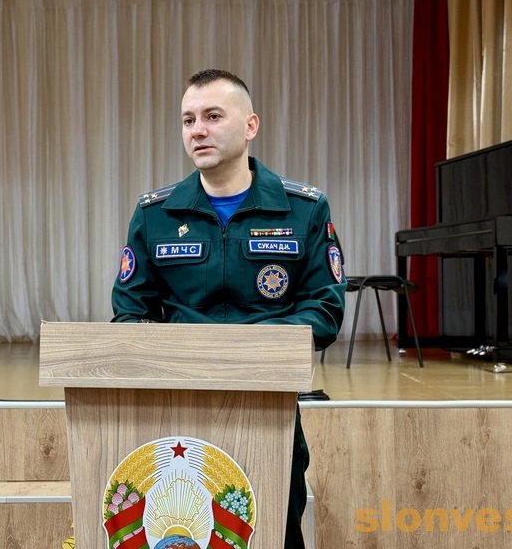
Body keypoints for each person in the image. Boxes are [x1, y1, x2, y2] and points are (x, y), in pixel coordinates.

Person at [111, 68, 346, 549]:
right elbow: (130, 313)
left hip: (267, 407)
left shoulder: (303, 209)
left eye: (213, 116)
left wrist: (246, 351)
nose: (197, 130)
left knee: (275, 534)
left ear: (250, 125)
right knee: (182, 535)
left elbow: (324, 308)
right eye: (188, 120)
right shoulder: (155, 214)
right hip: (175, 412)